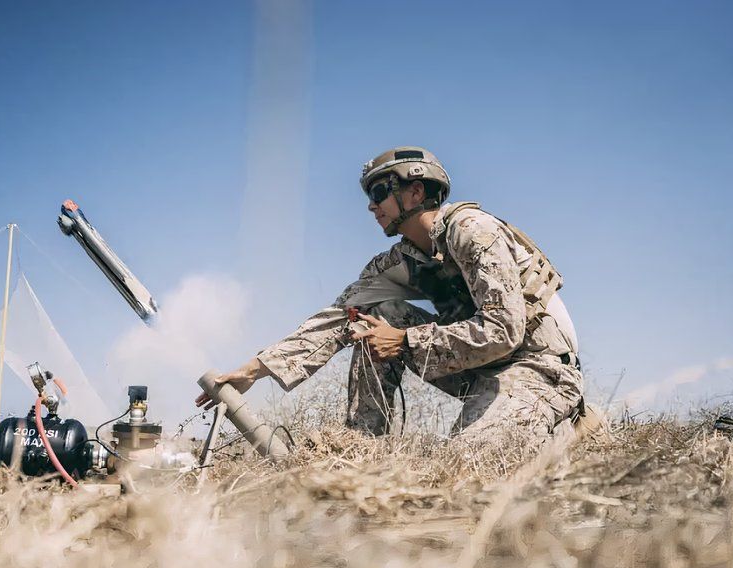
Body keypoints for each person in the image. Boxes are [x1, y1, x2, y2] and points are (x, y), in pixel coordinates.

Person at [196, 147, 584, 446]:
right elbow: (338, 318)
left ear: (416, 192)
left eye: (381, 192)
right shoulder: (398, 262)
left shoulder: (472, 231)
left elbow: (504, 329)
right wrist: (252, 370)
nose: (371, 205)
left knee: (469, 465)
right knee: (374, 317)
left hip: (539, 370)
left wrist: (406, 340)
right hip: (481, 372)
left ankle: (570, 422)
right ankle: (362, 447)